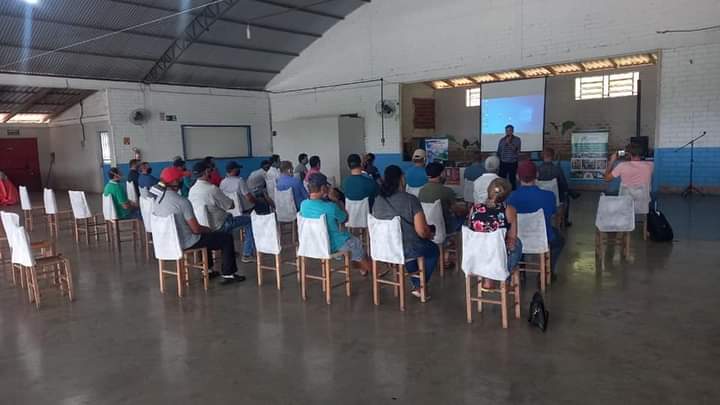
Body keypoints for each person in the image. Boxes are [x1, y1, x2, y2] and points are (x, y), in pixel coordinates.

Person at [153, 167, 246, 285]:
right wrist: (208, 229)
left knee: (206, 238)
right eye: (181, 178)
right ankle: (229, 273)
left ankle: (208, 270)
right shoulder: (182, 201)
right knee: (225, 238)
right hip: (186, 242)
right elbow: (196, 229)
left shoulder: (158, 200)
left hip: (166, 243)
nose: (182, 181)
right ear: (175, 182)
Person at [372, 165, 439, 299]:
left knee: (412, 250)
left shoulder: (378, 200)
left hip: (383, 248)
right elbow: (421, 231)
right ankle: (419, 285)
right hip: (407, 248)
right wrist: (429, 234)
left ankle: (418, 285)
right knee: (432, 250)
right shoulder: (410, 200)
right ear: (401, 179)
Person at [299, 173, 372, 276]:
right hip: (333, 245)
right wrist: (336, 200)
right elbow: (345, 219)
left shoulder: (303, 205)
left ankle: (361, 267)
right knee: (356, 243)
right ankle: (370, 270)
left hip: (312, 243)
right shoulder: (330, 207)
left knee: (352, 245)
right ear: (323, 188)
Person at [188, 161, 255, 262]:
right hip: (219, 224)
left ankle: (230, 251)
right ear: (206, 172)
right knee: (249, 220)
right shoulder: (212, 189)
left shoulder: (192, 190)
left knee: (229, 218)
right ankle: (247, 254)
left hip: (202, 225)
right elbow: (230, 205)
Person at [507, 160, 564, 275]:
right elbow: (553, 214)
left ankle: (520, 270)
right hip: (542, 237)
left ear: (517, 177)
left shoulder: (510, 198)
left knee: (517, 237)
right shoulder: (549, 196)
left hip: (516, 238)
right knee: (560, 241)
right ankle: (547, 271)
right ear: (537, 175)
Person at [467, 178, 522, 289]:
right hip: (497, 256)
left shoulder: (475, 208)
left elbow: (471, 230)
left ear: (488, 191)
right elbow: (512, 237)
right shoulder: (509, 210)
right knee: (517, 243)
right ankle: (504, 276)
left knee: (487, 245)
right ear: (507, 195)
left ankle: (488, 279)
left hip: (477, 255)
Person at [418, 162, 467, 234]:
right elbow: (456, 210)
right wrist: (467, 210)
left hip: (427, 224)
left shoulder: (421, 191)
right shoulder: (447, 191)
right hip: (445, 226)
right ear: (441, 174)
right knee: (465, 216)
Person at [538, 147, 572, 226]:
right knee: (566, 197)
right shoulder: (557, 169)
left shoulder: (538, 169)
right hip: (556, 199)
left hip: (541, 198)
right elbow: (564, 184)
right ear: (552, 156)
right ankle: (564, 221)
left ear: (542, 156)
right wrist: (566, 191)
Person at [496, 124, 521, 189]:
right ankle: (502, 192)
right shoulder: (502, 140)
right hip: (503, 162)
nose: (508, 132)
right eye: (507, 131)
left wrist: (509, 143)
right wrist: (499, 158)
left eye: (510, 130)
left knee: (512, 179)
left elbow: (516, 150)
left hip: (513, 163)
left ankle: (513, 192)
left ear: (512, 131)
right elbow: (499, 151)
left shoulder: (517, 139)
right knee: (502, 180)